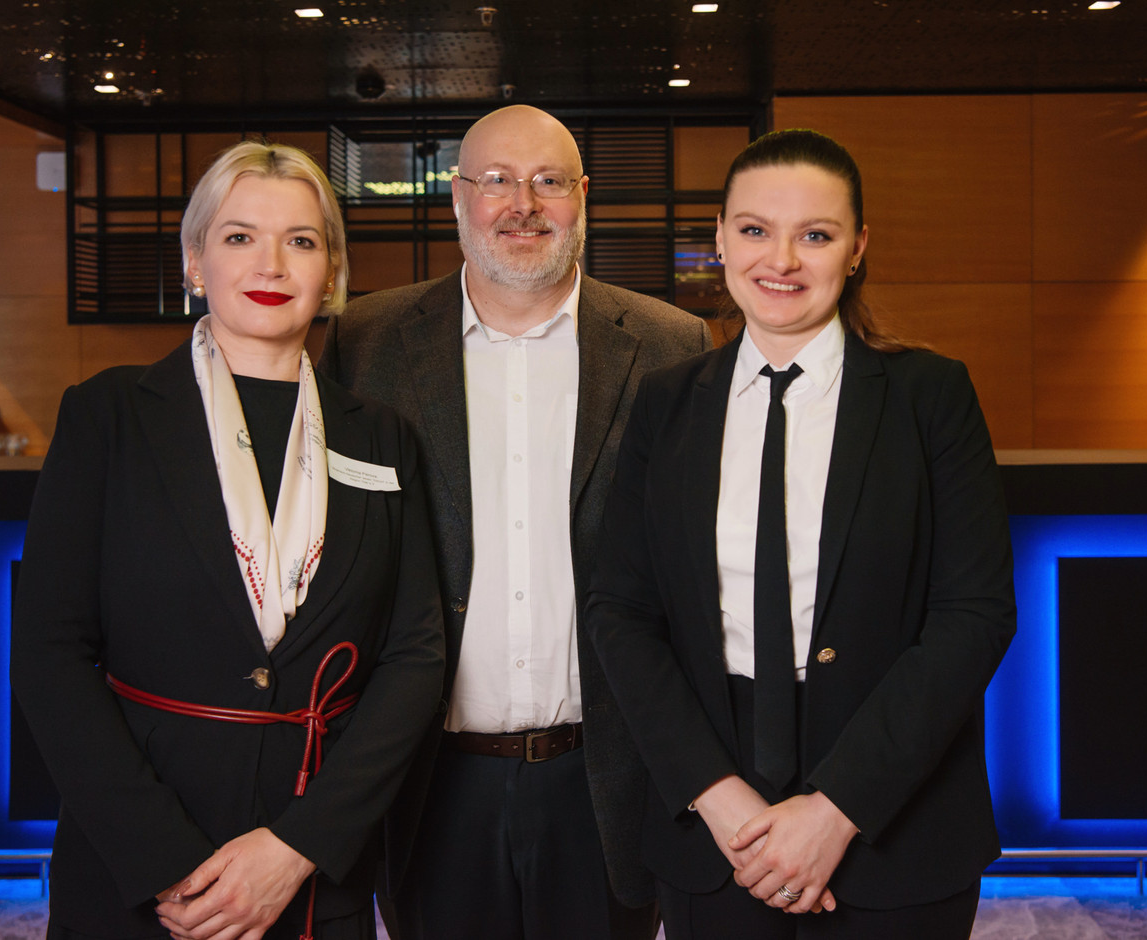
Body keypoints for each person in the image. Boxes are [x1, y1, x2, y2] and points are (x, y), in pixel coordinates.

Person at [585, 129, 1016, 940]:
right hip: (715, 827)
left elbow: (974, 614)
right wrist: (720, 799)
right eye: (754, 230)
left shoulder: (932, 396)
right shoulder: (667, 403)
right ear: (719, 240)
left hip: (896, 813)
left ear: (856, 248)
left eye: (815, 235)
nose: (780, 259)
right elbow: (620, 611)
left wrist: (837, 810)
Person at [11, 140, 445, 940]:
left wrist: (298, 845)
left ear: (334, 272)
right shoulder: (108, 417)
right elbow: (48, 651)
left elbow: (415, 657)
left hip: (312, 861)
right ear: (194, 262)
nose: (271, 264)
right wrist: (164, 861)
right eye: (240, 236)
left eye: (302, 241)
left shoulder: (383, 438)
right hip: (138, 867)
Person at [317, 104, 711, 939]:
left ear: (583, 197)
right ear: (458, 198)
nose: (521, 202)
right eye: (495, 180)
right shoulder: (365, 343)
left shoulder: (672, 346)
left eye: (548, 181)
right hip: (429, 780)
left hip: (609, 779)